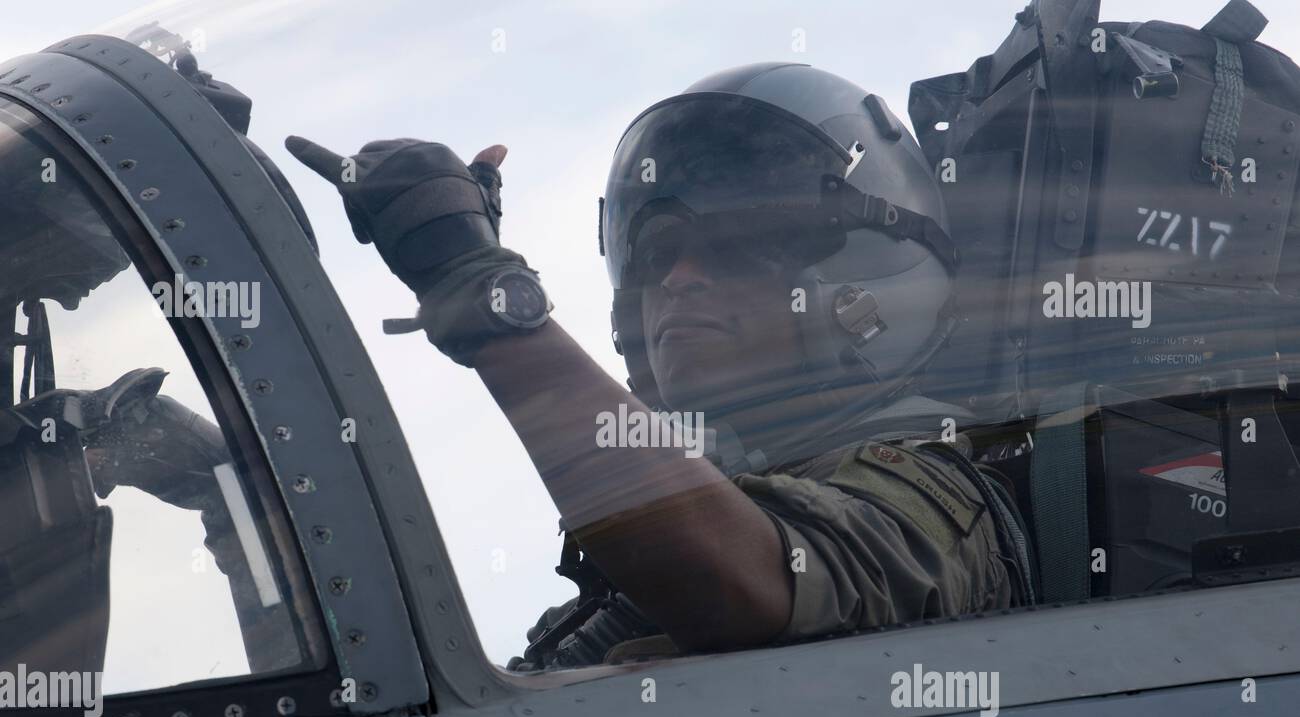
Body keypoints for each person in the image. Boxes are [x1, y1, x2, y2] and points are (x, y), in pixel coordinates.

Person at [286, 62, 1035, 669]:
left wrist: (484, 297)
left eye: (734, 251)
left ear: (867, 286)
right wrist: (233, 503)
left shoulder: (938, 497)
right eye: (657, 259)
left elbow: (753, 590)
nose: (676, 283)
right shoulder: (628, 583)